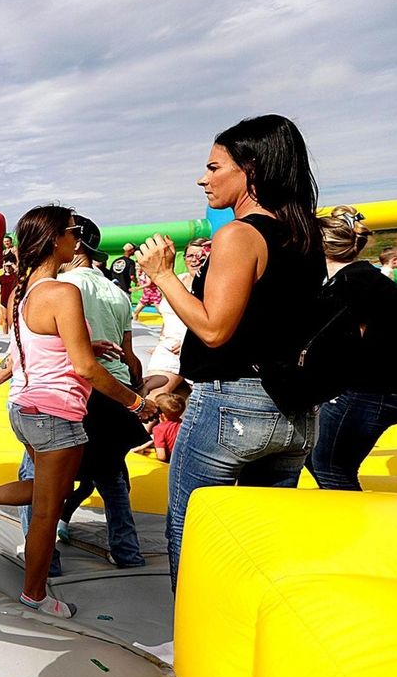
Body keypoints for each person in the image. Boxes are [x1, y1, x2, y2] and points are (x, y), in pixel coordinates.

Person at [136, 114, 325, 589]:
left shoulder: (239, 234)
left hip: (232, 406)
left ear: (252, 170)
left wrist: (163, 275)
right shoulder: (305, 237)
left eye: (215, 166)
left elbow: (215, 330)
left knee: (195, 535)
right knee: (262, 543)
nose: (205, 178)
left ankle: (191, 651)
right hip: (295, 410)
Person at [0, 206, 155, 618]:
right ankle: (35, 593)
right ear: (54, 239)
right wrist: (136, 402)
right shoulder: (63, 293)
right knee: (49, 509)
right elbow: (85, 368)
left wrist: (86, 346)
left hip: (25, 408)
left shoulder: (25, 291)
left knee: (49, 489)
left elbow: (33, 348)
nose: (76, 238)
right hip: (55, 413)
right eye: (72, 230)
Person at [13, 213, 149, 574]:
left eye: (75, 231)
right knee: (112, 477)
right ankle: (127, 550)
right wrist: (134, 398)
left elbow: (75, 362)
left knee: (39, 483)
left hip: (73, 397)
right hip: (109, 391)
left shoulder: (57, 289)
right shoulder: (117, 292)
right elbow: (129, 356)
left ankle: (42, 562)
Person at [307, 207, 397, 490]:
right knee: (317, 456)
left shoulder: (348, 285)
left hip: (372, 389)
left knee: (331, 467)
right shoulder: (367, 278)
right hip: (392, 387)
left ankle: (347, 528)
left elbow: (348, 344)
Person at [142, 239, 208, 399]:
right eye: (190, 255)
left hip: (196, 350)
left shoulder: (211, 284)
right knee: (152, 396)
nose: (195, 260)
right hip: (168, 349)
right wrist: (160, 341)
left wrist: (190, 340)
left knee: (190, 403)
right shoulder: (177, 280)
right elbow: (169, 316)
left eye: (201, 257)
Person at [0, 256, 18, 331]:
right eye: (6, 266)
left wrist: (13, 265)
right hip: (4, 300)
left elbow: (19, 270)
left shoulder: (15, 276)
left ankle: (13, 334)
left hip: (12, 299)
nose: (8, 268)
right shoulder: (1, 278)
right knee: (4, 318)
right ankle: (5, 335)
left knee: (12, 318)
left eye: (9, 266)